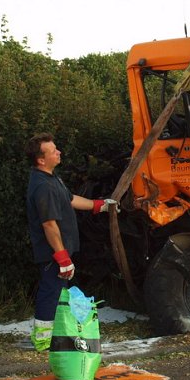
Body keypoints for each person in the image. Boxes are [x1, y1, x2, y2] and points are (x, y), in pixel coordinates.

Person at [25, 133, 117, 351]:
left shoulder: (52, 178)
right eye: (53, 150)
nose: (59, 152)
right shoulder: (43, 186)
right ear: (40, 159)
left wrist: (99, 205)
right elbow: (49, 224)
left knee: (57, 292)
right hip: (53, 253)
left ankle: (54, 335)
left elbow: (71, 199)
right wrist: (62, 256)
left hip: (60, 251)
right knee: (51, 291)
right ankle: (43, 340)